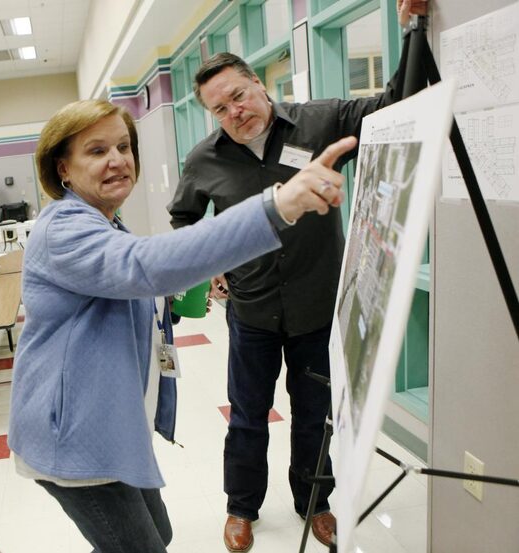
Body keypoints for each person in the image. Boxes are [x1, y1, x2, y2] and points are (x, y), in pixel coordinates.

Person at [7, 98, 356, 552]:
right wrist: (277, 206)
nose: (117, 160)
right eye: (96, 151)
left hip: (111, 427)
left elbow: (128, 282)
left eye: (123, 147)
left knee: (159, 536)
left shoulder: (107, 223)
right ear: (63, 170)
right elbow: (143, 266)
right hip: (72, 436)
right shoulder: (63, 228)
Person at [167, 1, 427, 550]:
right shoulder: (203, 160)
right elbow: (183, 219)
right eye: (220, 108)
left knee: (314, 415)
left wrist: (412, 30)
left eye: (238, 95)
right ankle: (242, 509)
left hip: (316, 306)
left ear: (258, 85)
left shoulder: (321, 120)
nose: (234, 112)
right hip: (253, 312)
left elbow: (398, 103)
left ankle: (315, 502)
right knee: (247, 418)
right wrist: (210, 267)